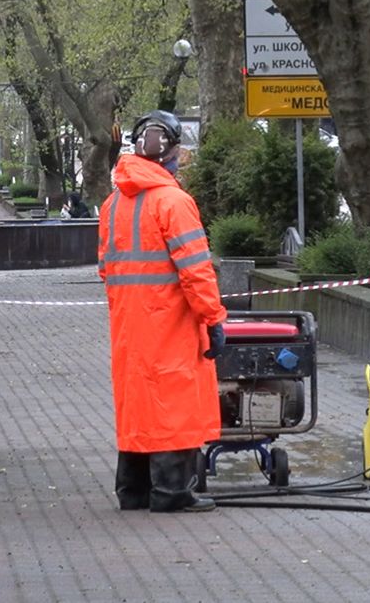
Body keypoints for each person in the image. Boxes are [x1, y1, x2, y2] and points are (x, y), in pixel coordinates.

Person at [98, 110, 227, 513]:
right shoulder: (174, 202)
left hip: (127, 324)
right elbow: (196, 270)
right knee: (174, 401)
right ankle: (172, 492)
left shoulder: (113, 203)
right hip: (170, 320)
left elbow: (106, 266)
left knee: (137, 403)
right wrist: (213, 317)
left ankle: (133, 491)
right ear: (167, 150)